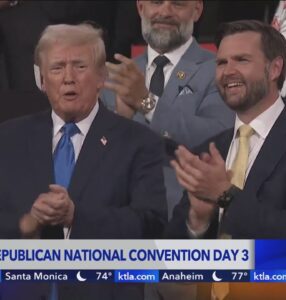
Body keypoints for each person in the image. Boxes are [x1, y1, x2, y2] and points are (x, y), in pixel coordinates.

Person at [0, 23, 167, 300]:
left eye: (79, 66)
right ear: (42, 80)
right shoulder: (8, 138)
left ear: (101, 76)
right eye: (56, 68)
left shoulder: (137, 141)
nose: (68, 78)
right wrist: (25, 224)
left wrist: (77, 217)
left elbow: (151, 223)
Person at [166, 19, 286, 300]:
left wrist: (226, 196)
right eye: (221, 62)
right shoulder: (210, 150)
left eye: (242, 60)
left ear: (275, 68)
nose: (228, 72)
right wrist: (198, 222)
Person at [101, 0, 234, 219]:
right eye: (156, 2)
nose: (165, 12)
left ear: (197, 10)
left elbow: (218, 139)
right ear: (141, 7)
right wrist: (120, 121)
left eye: (178, 4)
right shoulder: (117, 76)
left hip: (182, 215)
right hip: (121, 217)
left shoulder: (219, 70)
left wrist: (146, 103)